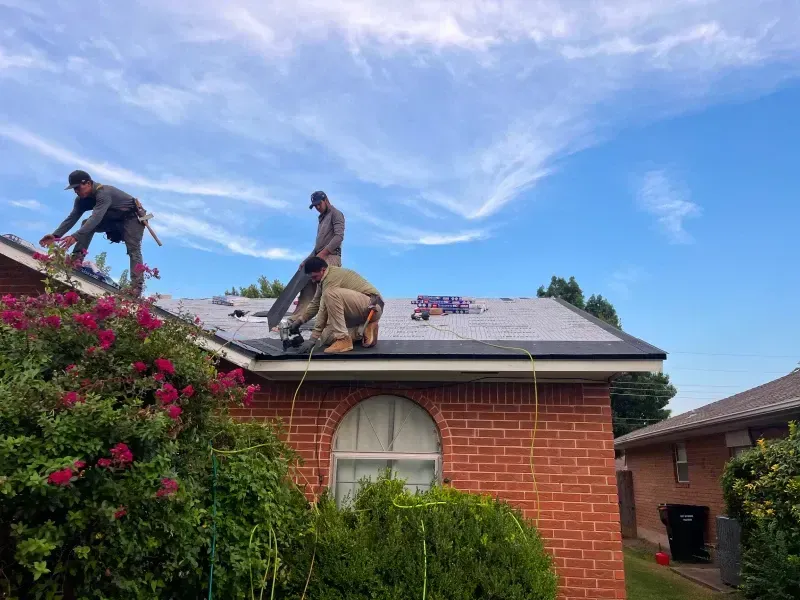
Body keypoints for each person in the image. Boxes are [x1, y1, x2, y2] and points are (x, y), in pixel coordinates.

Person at [39, 170, 147, 295]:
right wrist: (55, 235)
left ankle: (136, 286)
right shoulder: (80, 200)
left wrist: (76, 236)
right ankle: (77, 259)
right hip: (113, 219)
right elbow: (72, 217)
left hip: (132, 218)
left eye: (78, 188)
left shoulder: (104, 193)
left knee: (133, 249)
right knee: (86, 223)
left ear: (88, 183)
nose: (76, 191)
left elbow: (96, 218)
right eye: (74, 189)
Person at [290, 257, 383, 354]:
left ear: (323, 270)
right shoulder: (322, 281)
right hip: (359, 312)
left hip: (372, 307)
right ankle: (363, 330)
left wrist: (312, 339)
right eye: (311, 278)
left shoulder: (332, 278)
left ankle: (343, 339)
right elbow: (315, 304)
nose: (313, 281)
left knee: (330, 294)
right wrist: (298, 322)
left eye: (314, 277)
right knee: (326, 338)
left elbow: (322, 309)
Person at [293, 190, 345, 317]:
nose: (317, 207)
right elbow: (318, 248)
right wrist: (307, 260)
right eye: (314, 206)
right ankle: (296, 319)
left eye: (319, 204)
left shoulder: (336, 214)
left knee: (327, 288)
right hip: (320, 256)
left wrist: (323, 254)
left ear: (326, 200)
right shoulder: (322, 218)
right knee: (307, 280)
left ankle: (330, 321)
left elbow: (338, 237)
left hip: (331, 257)